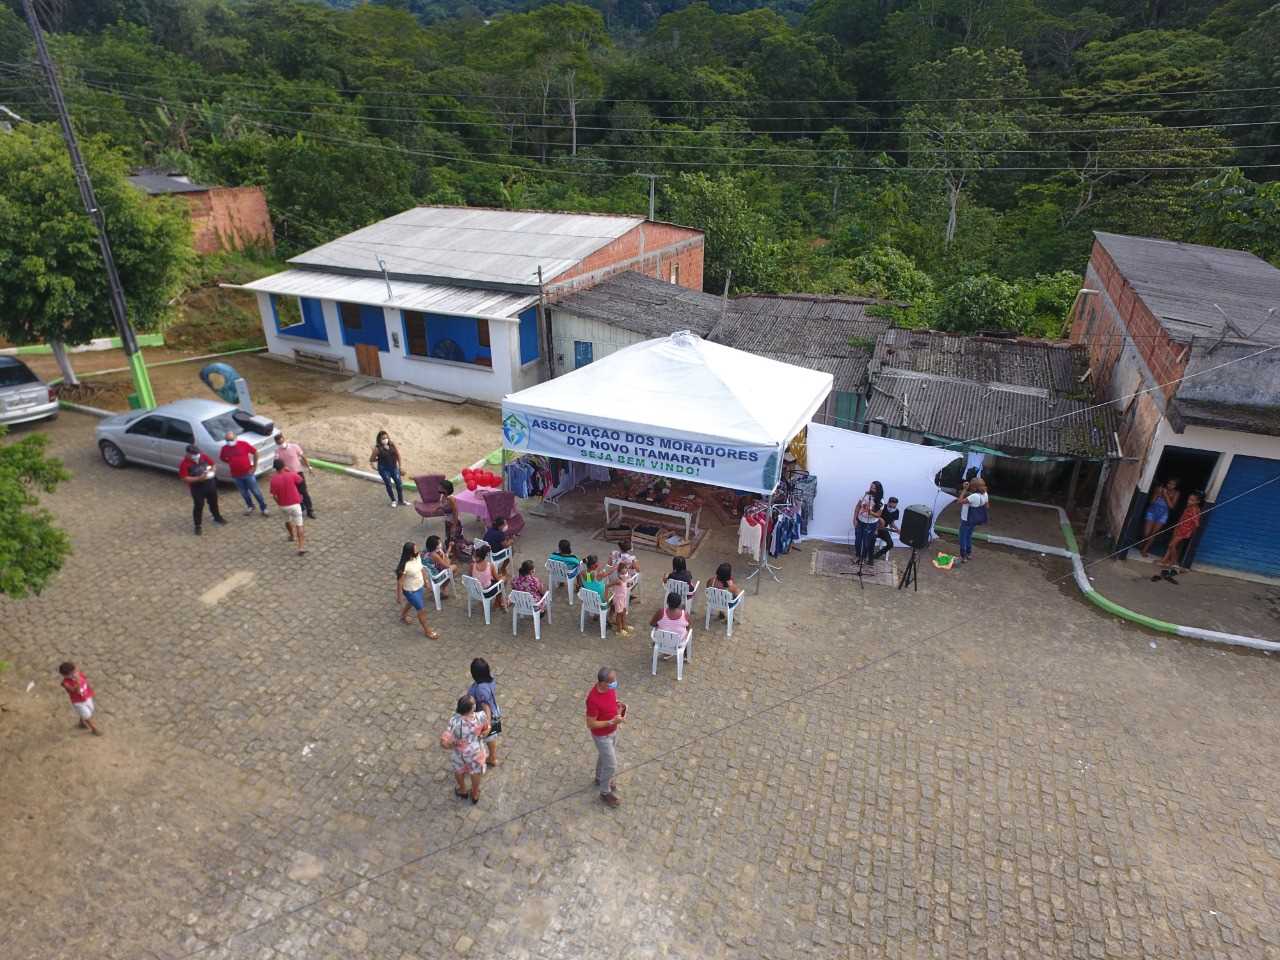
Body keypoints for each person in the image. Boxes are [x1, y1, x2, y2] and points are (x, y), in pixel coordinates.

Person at [585, 666, 626, 808]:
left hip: (613, 730)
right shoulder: (593, 700)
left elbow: (610, 701)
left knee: (604, 757)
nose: (615, 683)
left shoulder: (610, 689)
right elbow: (590, 724)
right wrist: (611, 722)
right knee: (611, 765)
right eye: (612, 681)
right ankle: (604, 791)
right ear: (602, 683)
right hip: (602, 736)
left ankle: (599, 778)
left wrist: (617, 706)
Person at [441, 694, 488, 804]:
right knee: (475, 772)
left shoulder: (454, 721)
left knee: (459, 770)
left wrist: (454, 744)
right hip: (476, 751)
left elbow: (444, 743)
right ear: (472, 708)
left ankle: (462, 790)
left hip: (459, 752)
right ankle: (475, 794)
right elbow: (486, 729)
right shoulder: (481, 716)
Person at [178, 444, 226, 536]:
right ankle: (198, 525)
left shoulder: (203, 456)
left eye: (197, 453)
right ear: (188, 454)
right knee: (199, 506)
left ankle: (217, 517)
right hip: (197, 488)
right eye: (194, 454)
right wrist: (198, 479)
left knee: (213, 502)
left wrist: (212, 471)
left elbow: (213, 464)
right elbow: (184, 478)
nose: (197, 455)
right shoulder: (184, 464)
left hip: (210, 484)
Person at [397, 541, 439, 638]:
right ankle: (427, 630)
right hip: (410, 591)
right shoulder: (405, 566)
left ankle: (403, 615)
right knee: (421, 610)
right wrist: (399, 597)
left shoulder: (417, 557)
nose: (418, 550)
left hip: (419, 587)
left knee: (412, 603)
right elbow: (400, 582)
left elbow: (421, 569)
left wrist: (426, 581)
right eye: (415, 549)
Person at [220, 431, 267, 516]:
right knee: (244, 493)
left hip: (248, 473)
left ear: (235, 438)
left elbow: (255, 453)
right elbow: (223, 458)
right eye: (227, 440)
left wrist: (254, 467)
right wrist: (231, 462)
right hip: (236, 476)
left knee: (256, 492)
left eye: (231, 439)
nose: (229, 442)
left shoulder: (243, 444)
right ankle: (250, 506)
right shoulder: (224, 448)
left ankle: (263, 508)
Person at [268, 458, 307, 555]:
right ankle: (301, 547)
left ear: (275, 468)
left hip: (283, 506)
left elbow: (273, 495)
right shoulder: (291, 474)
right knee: (299, 525)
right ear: (284, 465)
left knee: (287, 520)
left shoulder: (273, 480)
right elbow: (300, 480)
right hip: (295, 504)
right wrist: (290, 470)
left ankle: (292, 536)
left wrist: (278, 503)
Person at [274, 431, 315, 519]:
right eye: (278, 443)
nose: (281, 444)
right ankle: (301, 507)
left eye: (281, 441)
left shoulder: (294, 446)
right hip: (288, 476)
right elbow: (277, 464)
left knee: (304, 491)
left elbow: (303, 457)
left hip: (298, 473)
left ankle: (310, 510)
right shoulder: (277, 452)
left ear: (284, 439)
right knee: (295, 493)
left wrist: (309, 467)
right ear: (276, 443)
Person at [469, 658, 502, 768]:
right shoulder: (490, 680)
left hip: (486, 718)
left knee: (488, 738)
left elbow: (485, 707)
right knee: (491, 738)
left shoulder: (480, 689)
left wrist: (487, 724)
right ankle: (492, 757)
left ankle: (491, 758)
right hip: (495, 711)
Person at [1159, 491, 1202, 574]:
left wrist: (1190, 531)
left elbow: (1196, 524)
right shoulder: (1189, 507)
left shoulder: (1194, 509)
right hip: (1179, 528)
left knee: (1171, 545)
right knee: (1172, 545)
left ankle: (1175, 564)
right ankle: (1165, 561)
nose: (1189, 501)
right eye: (1189, 499)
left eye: (1192, 500)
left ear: (1198, 502)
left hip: (1184, 531)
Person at [1140, 478, 1180, 558]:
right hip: (1152, 511)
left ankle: (1144, 550)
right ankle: (1142, 543)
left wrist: (1165, 495)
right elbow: (1151, 502)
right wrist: (1157, 494)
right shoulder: (1159, 488)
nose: (1170, 485)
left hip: (1163, 515)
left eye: (1173, 484)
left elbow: (1171, 506)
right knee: (1146, 533)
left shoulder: (1176, 493)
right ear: (1166, 483)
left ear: (1175, 486)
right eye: (1169, 483)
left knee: (1153, 534)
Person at [58, 661, 99, 736]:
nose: (75, 673)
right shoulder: (65, 683)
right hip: (78, 702)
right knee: (87, 715)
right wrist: (78, 681)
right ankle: (93, 729)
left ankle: (82, 722)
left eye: (75, 671)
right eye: (72, 673)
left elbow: (85, 680)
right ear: (65, 675)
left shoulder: (78, 674)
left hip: (86, 696)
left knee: (91, 710)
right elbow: (74, 691)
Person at [955, 477, 989, 563]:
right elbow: (987, 506)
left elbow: (959, 501)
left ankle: (963, 556)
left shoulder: (973, 496)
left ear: (974, 487)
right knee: (969, 536)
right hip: (974, 519)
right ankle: (969, 554)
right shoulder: (985, 494)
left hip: (966, 519)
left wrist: (964, 489)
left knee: (962, 537)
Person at [369, 430, 406, 507]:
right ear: (379, 439)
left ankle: (401, 500)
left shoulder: (392, 444)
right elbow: (371, 459)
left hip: (394, 468)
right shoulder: (377, 449)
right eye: (383, 438)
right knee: (388, 484)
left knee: (399, 484)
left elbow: (398, 455)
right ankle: (393, 500)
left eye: (386, 437)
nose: (385, 439)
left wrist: (400, 466)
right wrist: (379, 459)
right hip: (384, 469)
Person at [471, 543, 508, 610]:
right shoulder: (490, 566)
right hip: (486, 592)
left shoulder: (472, 565)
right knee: (504, 580)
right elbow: (497, 580)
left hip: (475, 590)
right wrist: (501, 577)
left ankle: (498, 601)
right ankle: (497, 602)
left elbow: (471, 577)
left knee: (495, 579)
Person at [853, 481, 883, 563]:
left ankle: (863, 557)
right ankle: (858, 556)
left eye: (873, 488)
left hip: (871, 524)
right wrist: (854, 518)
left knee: (866, 543)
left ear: (878, 490)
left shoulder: (881, 501)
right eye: (871, 487)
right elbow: (857, 506)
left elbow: (878, 515)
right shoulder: (865, 495)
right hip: (860, 521)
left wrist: (870, 512)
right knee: (858, 541)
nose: (871, 489)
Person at [607, 560, 633, 636]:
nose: (625, 569)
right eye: (623, 568)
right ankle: (619, 630)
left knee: (624, 611)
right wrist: (606, 595)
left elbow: (627, 584)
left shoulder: (625, 578)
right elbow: (607, 586)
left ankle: (624, 626)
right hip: (618, 599)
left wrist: (628, 584)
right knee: (619, 614)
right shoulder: (618, 580)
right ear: (619, 571)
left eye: (626, 568)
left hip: (623, 598)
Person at [872, 496, 901, 561]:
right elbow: (874, 516)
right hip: (875, 527)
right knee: (872, 539)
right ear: (888, 503)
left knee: (890, 544)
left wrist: (897, 529)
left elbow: (891, 523)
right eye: (890, 506)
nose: (892, 508)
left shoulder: (896, 511)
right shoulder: (882, 507)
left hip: (883, 529)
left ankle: (876, 556)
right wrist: (880, 519)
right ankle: (868, 553)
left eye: (894, 507)